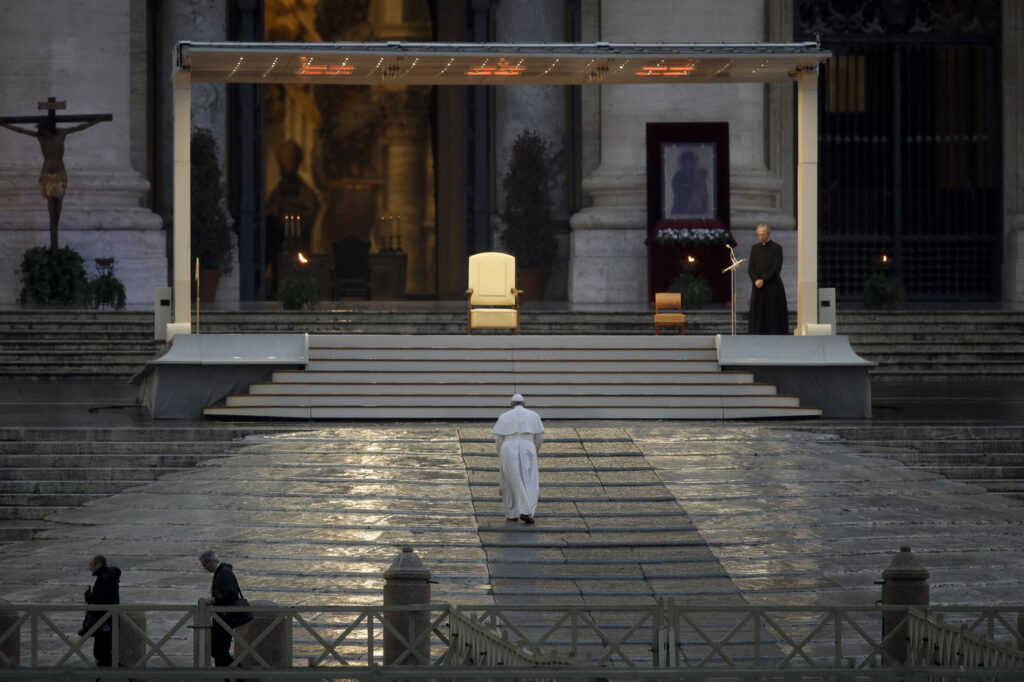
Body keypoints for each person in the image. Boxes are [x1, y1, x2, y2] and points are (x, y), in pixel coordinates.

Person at [0, 117, 106, 254]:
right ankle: (52, 224)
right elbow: (21, 130)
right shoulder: (40, 137)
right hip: (47, 173)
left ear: (50, 128)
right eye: (41, 131)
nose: (43, 133)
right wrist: (3, 125)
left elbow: (80, 127)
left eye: (45, 130)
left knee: (59, 200)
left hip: (59, 172)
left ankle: (56, 222)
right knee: (51, 200)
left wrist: (98, 120)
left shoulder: (62, 133)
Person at [492, 394, 544, 524]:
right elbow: (539, 438)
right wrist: (534, 451)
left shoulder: (504, 416)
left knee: (510, 480)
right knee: (529, 480)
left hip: (508, 447)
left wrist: (500, 454)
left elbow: (498, 440)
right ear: (524, 403)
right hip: (528, 445)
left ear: (511, 404)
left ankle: (512, 513)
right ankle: (527, 511)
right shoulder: (534, 415)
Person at [199, 550, 244, 668]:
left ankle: (241, 673)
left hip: (225, 618)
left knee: (218, 651)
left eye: (205, 565)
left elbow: (231, 594)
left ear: (213, 561)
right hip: (221, 618)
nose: (204, 568)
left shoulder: (224, 572)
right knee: (217, 650)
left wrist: (213, 600)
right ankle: (231, 675)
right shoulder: (221, 571)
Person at [747, 223, 789, 335]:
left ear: (768, 234)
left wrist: (763, 279)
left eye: (763, 234)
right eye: (759, 235)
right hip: (758, 287)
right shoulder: (754, 248)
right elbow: (751, 268)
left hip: (772, 286)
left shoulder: (777, 248)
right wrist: (755, 279)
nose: (761, 237)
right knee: (758, 313)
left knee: (773, 314)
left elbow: (776, 268)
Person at [82, 554, 120, 668]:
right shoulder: (110, 575)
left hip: (104, 621)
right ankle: (123, 674)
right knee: (102, 653)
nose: (90, 568)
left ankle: (126, 674)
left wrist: (87, 593)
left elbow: (97, 600)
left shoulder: (104, 578)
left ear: (98, 564)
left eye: (91, 565)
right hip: (109, 620)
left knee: (100, 653)